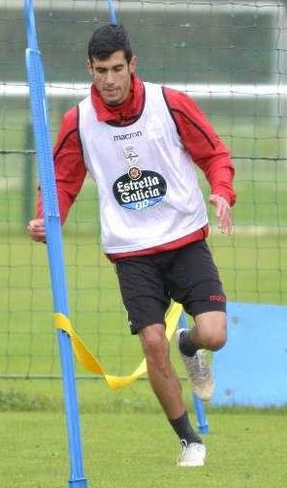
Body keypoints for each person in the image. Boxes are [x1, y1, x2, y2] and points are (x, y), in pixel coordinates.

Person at [27, 24, 235, 467]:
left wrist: (221, 189)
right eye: (101, 70)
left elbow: (214, 153)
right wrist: (49, 218)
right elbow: (61, 180)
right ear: (90, 69)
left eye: (117, 69)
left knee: (214, 334)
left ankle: (191, 345)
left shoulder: (169, 104)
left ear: (132, 65)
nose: (110, 79)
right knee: (152, 343)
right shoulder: (78, 121)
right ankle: (189, 441)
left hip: (184, 239)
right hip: (131, 251)